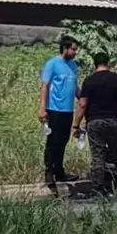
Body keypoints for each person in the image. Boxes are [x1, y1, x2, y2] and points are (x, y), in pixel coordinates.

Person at [71, 52, 117, 195]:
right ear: (109, 63)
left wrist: (75, 125)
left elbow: (82, 104)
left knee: (98, 155)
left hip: (94, 122)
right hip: (114, 121)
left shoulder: (89, 81)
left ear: (94, 65)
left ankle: (98, 187)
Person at [39, 35, 80, 188]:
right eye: (73, 49)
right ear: (65, 48)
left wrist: (83, 99)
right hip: (54, 109)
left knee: (63, 141)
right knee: (53, 142)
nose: (75, 52)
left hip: (68, 110)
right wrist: (42, 108)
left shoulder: (74, 65)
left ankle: (59, 171)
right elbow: (45, 86)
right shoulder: (52, 64)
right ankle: (49, 172)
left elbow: (75, 87)